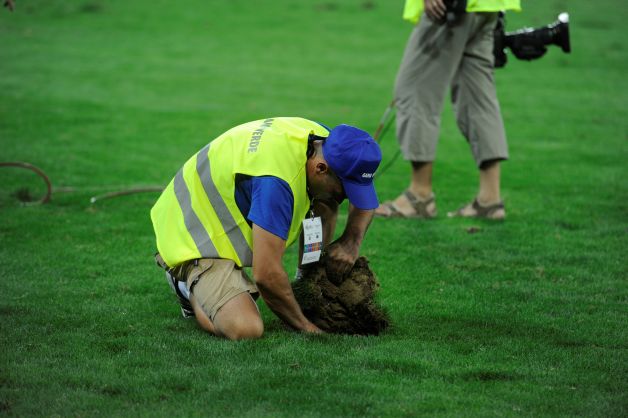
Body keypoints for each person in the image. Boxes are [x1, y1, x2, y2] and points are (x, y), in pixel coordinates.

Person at [151, 117, 382, 340]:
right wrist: (305, 326)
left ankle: (306, 278)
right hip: (191, 230)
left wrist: (350, 242)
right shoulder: (276, 183)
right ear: (321, 168)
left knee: (327, 197)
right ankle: (185, 287)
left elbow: (361, 199)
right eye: (347, 190)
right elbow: (266, 274)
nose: (348, 198)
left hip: (233, 199)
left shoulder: (328, 142)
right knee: (245, 328)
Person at [375, 0, 521, 220]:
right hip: (487, 6)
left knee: (415, 90)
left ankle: (419, 196)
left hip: (450, 7)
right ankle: (490, 200)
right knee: (478, 98)